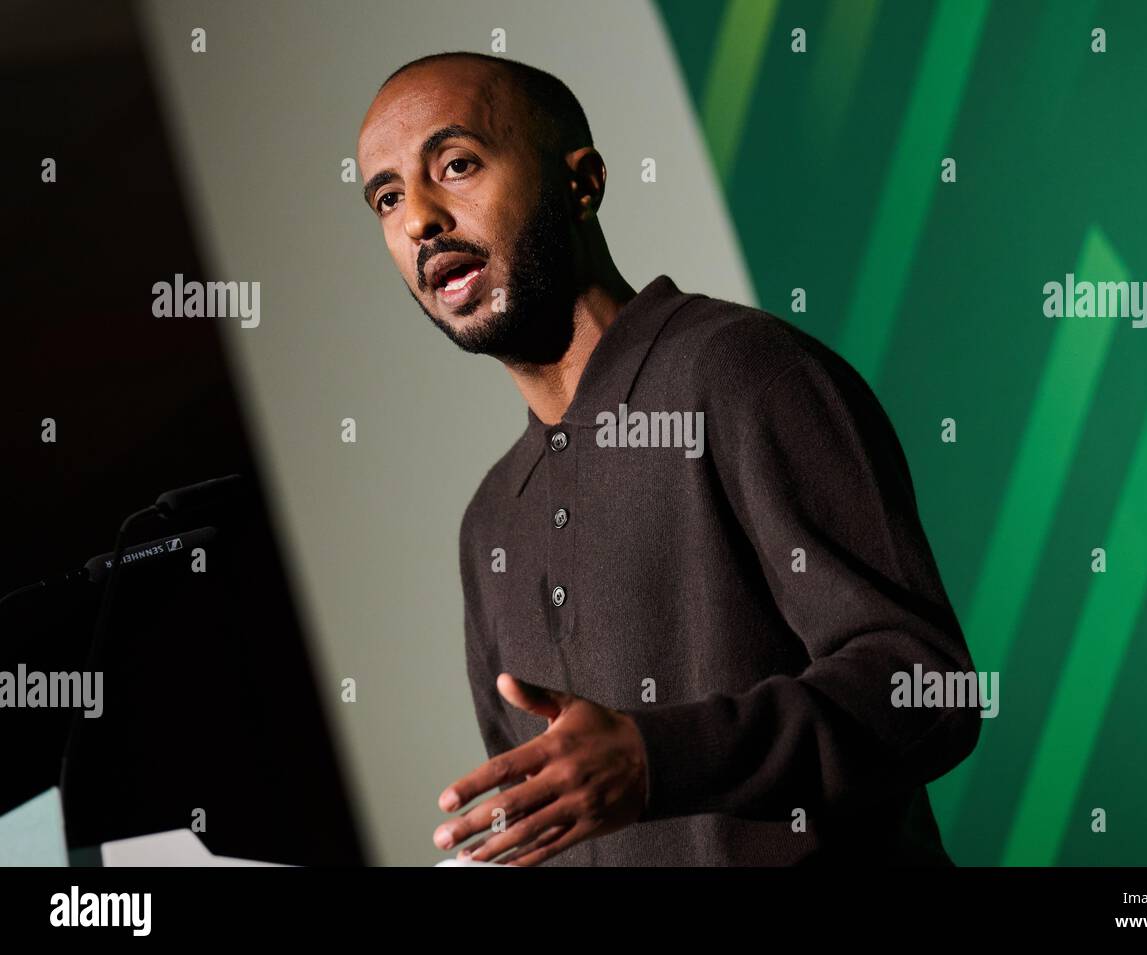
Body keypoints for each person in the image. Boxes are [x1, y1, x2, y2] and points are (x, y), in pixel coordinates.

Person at [356, 51, 981, 866]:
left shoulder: (744, 371)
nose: (418, 221)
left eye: (458, 165)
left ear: (581, 184)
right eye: (389, 196)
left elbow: (924, 688)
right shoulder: (490, 521)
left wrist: (660, 759)